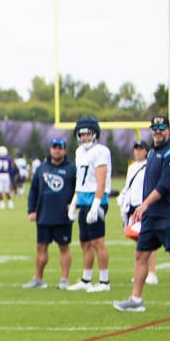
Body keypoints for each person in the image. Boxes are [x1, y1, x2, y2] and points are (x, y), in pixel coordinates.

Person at [114, 117, 170, 313]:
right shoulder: (152, 152)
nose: (158, 131)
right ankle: (136, 299)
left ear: (169, 131)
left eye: (162, 128)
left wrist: (144, 205)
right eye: (155, 128)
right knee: (141, 255)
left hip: (168, 215)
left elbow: (163, 186)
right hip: (152, 217)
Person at [66, 116, 112, 292]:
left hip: (96, 199)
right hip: (83, 199)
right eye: (81, 134)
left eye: (87, 134)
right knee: (84, 242)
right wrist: (74, 201)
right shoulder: (80, 152)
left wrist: (96, 204)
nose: (84, 137)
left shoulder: (100, 151)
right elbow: (80, 180)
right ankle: (86, 279)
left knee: (98, 242)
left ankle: (104, 281)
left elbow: (100, 181)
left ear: (94, 134)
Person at [22, 137, 75, 289]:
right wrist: (31, 210)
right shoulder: (41, 168)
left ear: (64, 150)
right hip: (44, 215)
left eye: (60, 147)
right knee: (41, 247)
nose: (57, 150)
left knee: (64, 247)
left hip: (63, 216)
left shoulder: (72, 169)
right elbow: (33, 191)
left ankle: (64, 279)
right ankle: (38, 278)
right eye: (54, 147)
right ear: (50, 149)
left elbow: (78, 189)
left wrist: (73, 204)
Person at [118, 140, 158, 286]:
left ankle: (152, 272)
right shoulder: (132, 167)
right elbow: (129, 186)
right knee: (138, 240)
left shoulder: (150, 166)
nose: (138, 151)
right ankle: (142, 272)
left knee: (147, 239)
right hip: (132, 206)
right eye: (136, 149)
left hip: (144, 205)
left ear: (146, 151)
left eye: (141, 149)